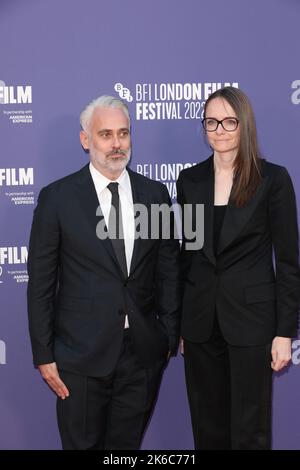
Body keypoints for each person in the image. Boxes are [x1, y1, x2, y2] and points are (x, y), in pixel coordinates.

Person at [27, 95, 180, 450]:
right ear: (86, 140)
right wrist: (44, 354)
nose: (116, 144)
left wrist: (168, 336)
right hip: (78, 358)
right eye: (106, 134)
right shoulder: (58, 199)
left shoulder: (154, 195)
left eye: (123, 134)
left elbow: (168, 269)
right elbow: (41, 283)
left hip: (141, 355)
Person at [176, 86, 300, 450]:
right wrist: (182, 323)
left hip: (251, 322)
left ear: (244, 124)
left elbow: (290, 262)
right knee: (207, 430)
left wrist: (283, 332)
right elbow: (189, 255)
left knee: (249, 433)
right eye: (211, 122)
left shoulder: (272, 179)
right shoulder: (189, 181)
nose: (220, 129)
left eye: (229, 121)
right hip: (200, 324)